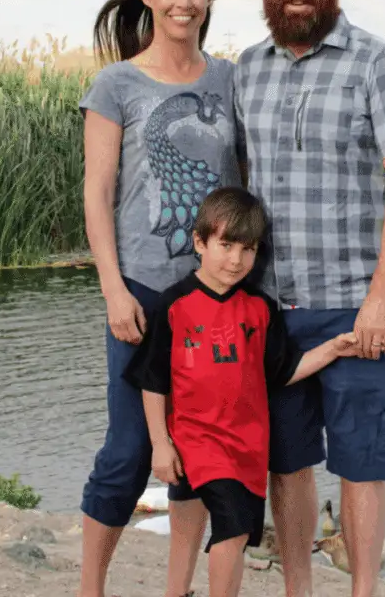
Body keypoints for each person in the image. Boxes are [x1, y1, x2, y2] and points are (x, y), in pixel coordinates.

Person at [233, 0, 385, 597]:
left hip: (354, 309)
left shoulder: (380, 64)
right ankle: (299, 588)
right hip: (270, 307)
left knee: (361, 462)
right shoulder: (247, 71)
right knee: (286, 463)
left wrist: (382, 298)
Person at [76, 0, 245, 597]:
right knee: (129, 452)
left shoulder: (229, 79)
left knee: (196, 452)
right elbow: (98, 191)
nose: (185, 2)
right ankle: (90, 586)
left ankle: (177, 589)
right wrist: (113, 289)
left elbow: (248, 180)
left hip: (211, 296)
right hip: (143, 291)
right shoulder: (117, 83)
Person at [123, 186, 361, 597]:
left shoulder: (260, 308)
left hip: (248, 449)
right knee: (232, 527)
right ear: (200, 242)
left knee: (238, 532)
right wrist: (161, 445)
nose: (236, 260)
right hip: (198, 441)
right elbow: (152, 380)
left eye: (248, 249)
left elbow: (282, 372)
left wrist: (332, 348)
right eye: (226, 245)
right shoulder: (173, 305)